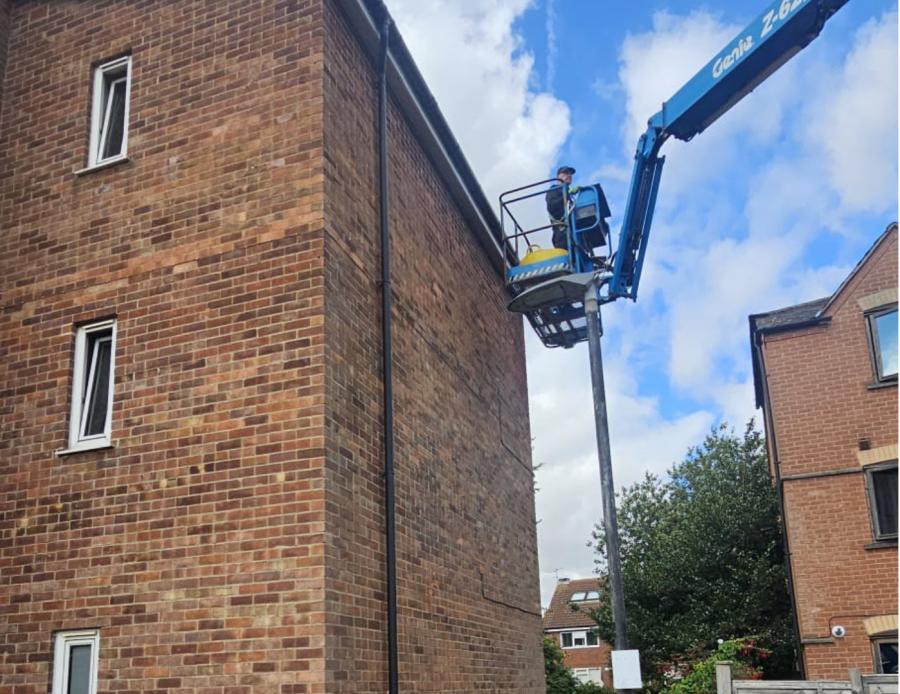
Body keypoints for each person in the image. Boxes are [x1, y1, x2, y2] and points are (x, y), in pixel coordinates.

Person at [545, 165, 577, 249]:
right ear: (558, 177)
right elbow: (552, 207)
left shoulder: (567, 193)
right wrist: (566, 194)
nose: (569, 175)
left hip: (574, 236)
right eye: (566, 173)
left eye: (570, 174)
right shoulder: (554, 189)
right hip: (562, 235)